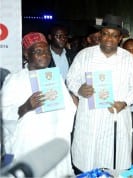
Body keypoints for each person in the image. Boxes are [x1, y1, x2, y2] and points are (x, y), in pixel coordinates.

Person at [67, 14, 133, 172]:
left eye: (114, 35)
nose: (109, 38)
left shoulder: (129, 60)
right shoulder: (84, 56)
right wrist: (79, 89)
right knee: (88, 163)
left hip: (116, 118)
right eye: (106, 33)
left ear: (120, 38)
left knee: (115, 165)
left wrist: (125, 102)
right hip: (90, 119)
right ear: (100, 35)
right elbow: (71, 79)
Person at [1, 32, 76, 177]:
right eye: (38, 51)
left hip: (54, 141)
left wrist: (72, 103)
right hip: (29, 145)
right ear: (26, 55)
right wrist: (26, 107)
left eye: (47, 51)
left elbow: (69, 110)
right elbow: (3, 113)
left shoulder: (55, 78)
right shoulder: (15, 80)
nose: (45, 55)